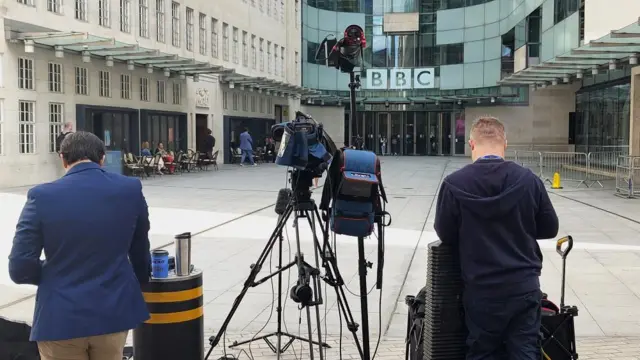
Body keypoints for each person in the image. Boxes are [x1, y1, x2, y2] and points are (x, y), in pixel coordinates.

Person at [8, 131, 151, 360]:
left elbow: (19, 267)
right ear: (102, 159)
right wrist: (141, 278)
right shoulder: (130, 189)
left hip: (61, 317)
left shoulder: (42, 196)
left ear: (63, 159)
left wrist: (54, 273)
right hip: (112, 311)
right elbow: (140, 250)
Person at [433, 116, 559, 360]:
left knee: (482, 352)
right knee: (525, 352)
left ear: (471, 144)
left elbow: (445, 233)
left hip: (481, 289)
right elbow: (550, 228)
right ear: (505, 143)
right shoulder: (528, 180)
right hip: (523, 286)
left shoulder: (454, 184)